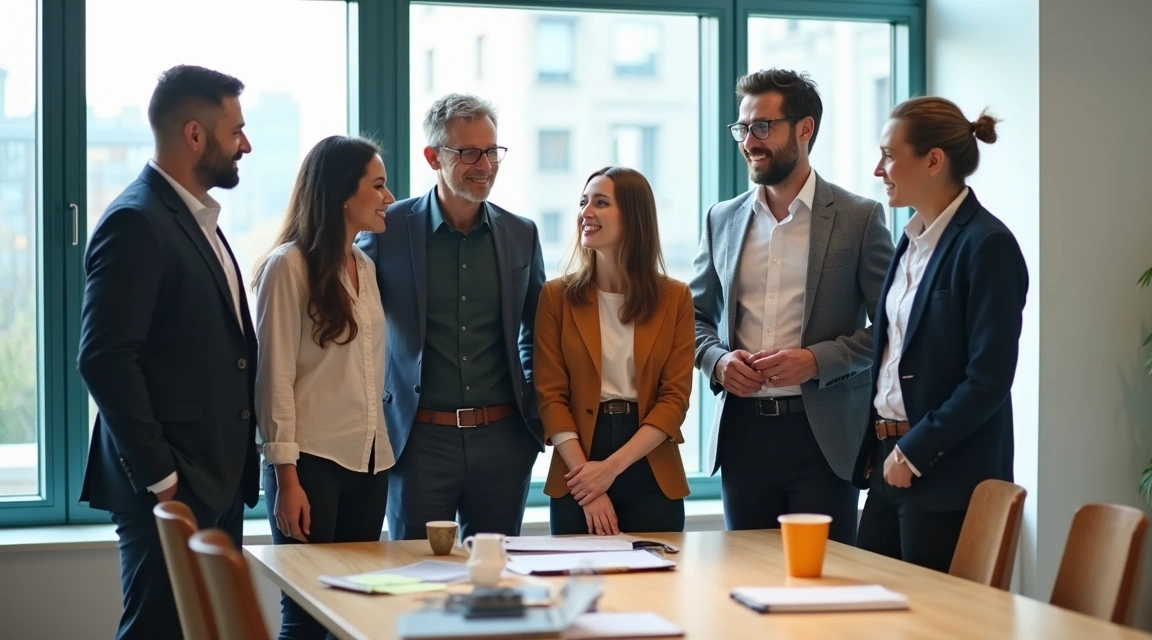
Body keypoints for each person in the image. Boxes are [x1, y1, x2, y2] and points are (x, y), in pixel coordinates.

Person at [77, 65, 257, 640]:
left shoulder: (197, 218)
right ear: (195, 135)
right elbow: (104, 358)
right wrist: (164, 482)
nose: (245, 146)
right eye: (236, 132)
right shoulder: (136, 220)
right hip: (173, 489)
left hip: (216, 483)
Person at [689, 69, 895, 543]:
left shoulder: (859, 217)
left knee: (825, 589)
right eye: (743, 128)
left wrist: (816, 361)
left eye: (763, 127)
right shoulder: (721, 218)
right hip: (742, 437)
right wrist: (718, 362)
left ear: (805, 129)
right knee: (746, 583)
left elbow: (890, 326)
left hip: (824, 439)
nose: (749, 141)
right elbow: (693, 319)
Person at [357, 94, 546, 541]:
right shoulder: (386, 231)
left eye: (492, 151)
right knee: (415, 579)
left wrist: (533, 422)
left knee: (497, 583)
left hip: (503, 442)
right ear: (432, 157)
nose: (484, 165)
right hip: (417, 442)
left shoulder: (521, 233)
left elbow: (537, 332)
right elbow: (359, 329)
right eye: (468, 153)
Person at [852, 97, 1028, 572]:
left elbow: (988, 379)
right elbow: (894, 355)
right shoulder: (909, 241)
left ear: (933, 160)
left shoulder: (988, 245)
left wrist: (913, 452)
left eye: (889, 155)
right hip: (889, 462)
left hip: (946, 474)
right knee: (863, 612)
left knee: (936, 623)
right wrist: (879, 448)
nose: (878, 169)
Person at [253, 135, 396, 639]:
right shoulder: (286, 267)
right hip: (310, 464)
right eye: (378, 185)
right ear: (342, 194)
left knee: (355, 611)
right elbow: (274, 378)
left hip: (370, 462)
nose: (389, 197)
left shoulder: (366, 266)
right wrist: (286, 478)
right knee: (308, 617)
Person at [534, 167, 693, 536]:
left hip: (650, 461)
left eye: (601, 203)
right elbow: (550, 397)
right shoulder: (557, 296)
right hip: (578, 464)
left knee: (655, 589)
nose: (585, 213)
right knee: (580, 589)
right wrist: (589, 485)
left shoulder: (675, 298)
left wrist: (610, 469)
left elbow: (674, 400)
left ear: (633, 217)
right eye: (583, 202)